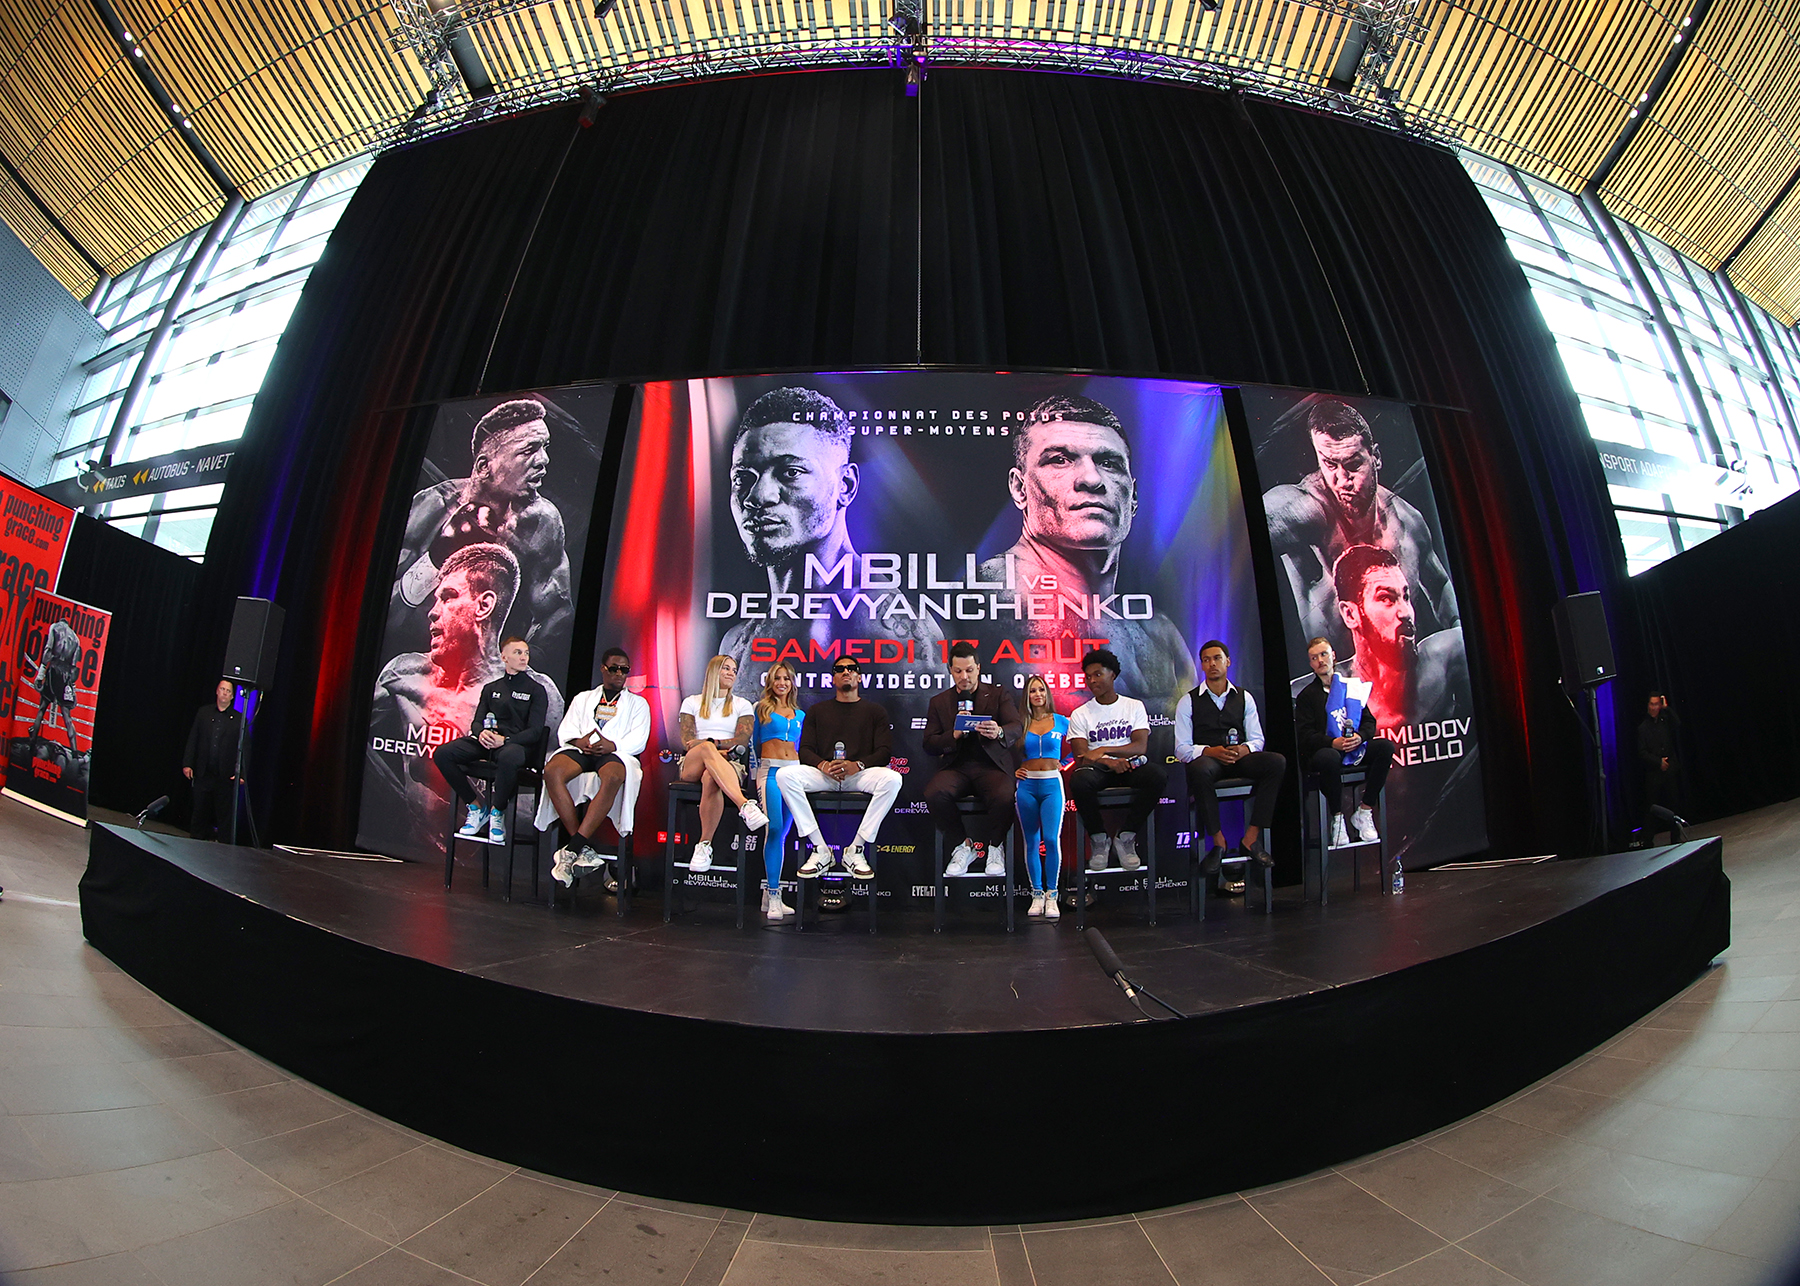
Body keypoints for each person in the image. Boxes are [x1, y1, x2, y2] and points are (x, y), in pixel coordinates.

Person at [978, 394, 1194, 709]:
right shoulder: (983, 597)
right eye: (1059, 460)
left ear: (1133, 496)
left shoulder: (1158, 632)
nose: (1092, 479)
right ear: (1019, 488)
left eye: (1109, 463)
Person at [718, 387, 942, 689]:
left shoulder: (891, 629)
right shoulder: (737, 640)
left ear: (845, 485)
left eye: (790, 472)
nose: (758, 497)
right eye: (743, 478)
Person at [369, 543, 565, 850]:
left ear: (483, 605)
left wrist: (459, 790)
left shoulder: (541, 692)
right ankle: (477, 807)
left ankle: (485, 811)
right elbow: (349, 734)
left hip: (488, 854)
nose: (433, 612)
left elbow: (549, 798)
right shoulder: (403, 673)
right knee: (442, 757)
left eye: (448, 597)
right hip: (412, 842)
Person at [1264, 396, 1458, 660]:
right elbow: (1261, 523)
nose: (1342, 480)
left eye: (1353, 464)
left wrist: (1458, 630)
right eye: (1330, 464)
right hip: (1339, 676)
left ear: (1375, 457)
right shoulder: (1307, 508)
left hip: (1402, 673)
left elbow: (1440, 584)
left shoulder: (1408, 521)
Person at [390, 398, 571, 650]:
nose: (544, 460)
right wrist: (435, 559)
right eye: (529, 450)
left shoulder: (541, 522)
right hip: (409, 655)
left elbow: (557, 613)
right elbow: (383, 614)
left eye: (545, 447)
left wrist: (515, 665)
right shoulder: (433, 507)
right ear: (485, 466)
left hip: (487, 663)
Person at [775, 656, 902, 879]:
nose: (846, 672)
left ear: (859, 677)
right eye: (840, 669)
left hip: (860, 775)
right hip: (825, 775)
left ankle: (856, 849)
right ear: (833, 678)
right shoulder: (817, 710)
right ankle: (820, 849)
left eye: (851, 669)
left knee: (893, 779)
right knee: (785, 775)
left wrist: (857, 765)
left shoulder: (875, 711)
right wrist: (823, 765)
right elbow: (805, 750)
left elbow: (884, 752)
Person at [1329, 544, 1466, 732]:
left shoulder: (1446, 657)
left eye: (1406, 597)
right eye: (1386, 598)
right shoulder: (1323, 692)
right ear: (1350, 614)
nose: (1406, 612)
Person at [1175, 640, 1282, 877]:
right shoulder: (1188, 701)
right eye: (1206, 660)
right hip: (1210, 762)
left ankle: (1251, 838)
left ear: (1228, 662)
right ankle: (1218, 842)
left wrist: (1245, 749)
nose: (1212, 664)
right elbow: (1181, 750)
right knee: (1199, 769)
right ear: (1202, 665)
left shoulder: (1244, 697)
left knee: (1276, 762)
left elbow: (1257, 739)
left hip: (1240, 759)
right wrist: (1209, 751)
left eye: (1217, 658)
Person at [431, 635, 548, 847]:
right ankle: (476, 807)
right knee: (442, 754)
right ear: (504, 657)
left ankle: (497, 811)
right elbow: (477, 722)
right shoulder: (491, 688)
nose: (524, 657)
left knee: (510, 756)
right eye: (518, 653)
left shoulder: (536, 690)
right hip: (488, 742)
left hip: (515, 746)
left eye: (526, 653)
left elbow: (535, 732)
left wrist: (506, 740)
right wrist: (481, 734)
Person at [547, 648, 650, 887]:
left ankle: (572, 848)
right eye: (614, 668)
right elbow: (566, 729)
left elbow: (639, 739)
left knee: (613, 777)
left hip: (616, 752)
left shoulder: (638, 704)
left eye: (624, 670)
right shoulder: (583, 698)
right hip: (583, 750)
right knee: (552, 771)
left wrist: (612, 745)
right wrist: (579, 741)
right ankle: (581, 848)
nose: (619, 674)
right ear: (603, 669)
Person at [922, 642, 1021, 878]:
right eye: (958, 671)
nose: (964, 677)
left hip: (991, 766)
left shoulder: (997, 694)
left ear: (978, 668)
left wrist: (998, 731)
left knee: (1004, 795)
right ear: (950, 670)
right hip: (956, 767)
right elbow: (929, 744)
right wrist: (953, 735)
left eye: (969, 670)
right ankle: (963, 847)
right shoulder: (939, 701)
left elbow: (1016, 727)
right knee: (934, 793)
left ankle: (995, 847)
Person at [1295, 636, 1396, 859]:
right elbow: (1305, 736)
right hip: (1325, 753)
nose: (1320, 661)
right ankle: (1337, 818)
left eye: (1323, 655)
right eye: (1314, 658)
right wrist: (1331, 742)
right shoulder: (1306, 697)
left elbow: (1369, 722)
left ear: (1333, 656)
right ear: (1311, 664)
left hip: (1354, 747)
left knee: (1385, 747)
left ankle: (1364, 811)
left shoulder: (1351, 687)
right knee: (1329, 757)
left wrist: (1360, 737)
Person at [1067, 648, 1166, 871]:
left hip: (1129, 766)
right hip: (1099, 770)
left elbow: (1140, 746)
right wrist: (1109, 761)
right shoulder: (1080, 713)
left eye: (1098, 674)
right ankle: (1099, 839)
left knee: (1157, 776)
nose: (1092, 681)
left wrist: (1103, 749)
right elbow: (1082, 758)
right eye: (1088, 676)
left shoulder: (1133, 706)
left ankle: (1126, 837)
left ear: (1112, 674)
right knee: (1079, 781)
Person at [676, 654, 769, 874]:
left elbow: (742, 741)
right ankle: (744, 805)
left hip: (730, 763)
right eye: (726, 668)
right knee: (706, 750)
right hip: (693, 762)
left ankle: (704, 845)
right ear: (713, 670)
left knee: (711, 776)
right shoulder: (691, 702)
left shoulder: (742, 705)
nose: (731, 673)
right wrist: (712, 746)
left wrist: (711, 744)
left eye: (734, 670)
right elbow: (688, 740)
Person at [752, 662, 805, 920]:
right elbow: (753, 744)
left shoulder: (800, 715)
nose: (782, 683)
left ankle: (769, 894)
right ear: (770, 682)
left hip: (793, 774)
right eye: (777, 678)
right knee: (772, 829)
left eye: (786, 678)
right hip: (770, 773)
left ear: (792, 682)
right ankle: (774, 893)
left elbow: (800, 746)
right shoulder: (761, 709)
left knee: (783, 833)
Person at [1015, 673, 1069, 920]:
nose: (1038, 694)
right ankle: (1036, 893)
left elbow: (1081, 746)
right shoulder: (1020, 723)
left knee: (1050, 839)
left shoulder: (1060, 721)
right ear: (1027, 696)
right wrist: (1013, 769)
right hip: (1026, 786)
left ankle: (1052, 895)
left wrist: (1065, 763)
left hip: (1051, 785)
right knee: (1031, 841)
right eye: (1033, 691)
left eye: (1041, 690)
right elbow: (1004, 752)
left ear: (1047, 693)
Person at [183, 678, 242, 841]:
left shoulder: (239, 720)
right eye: (222, 689)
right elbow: (193, 739)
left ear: (232, 696)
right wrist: (188, 763)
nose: (225, 693)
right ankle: (194, 843)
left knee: (224, 816)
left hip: (225, 776)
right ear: (217, 691)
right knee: (199, 812)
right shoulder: (204, 713)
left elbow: (244, 747)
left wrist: (242, 772)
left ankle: (223, 848)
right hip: (203, 772)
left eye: (228, 691)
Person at [25, 618, 84, 755]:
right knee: (67, 716)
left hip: (54, 670)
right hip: (65, 676)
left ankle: (31, 745)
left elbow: (48, 650)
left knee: (42, 708)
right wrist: (71, 687)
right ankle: (75, 752)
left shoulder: (55, 628)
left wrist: (41, 674)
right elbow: (73, 668)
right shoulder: (75, 639)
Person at [1637, 691, 1686, 843]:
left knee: (1674, 804)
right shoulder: (1643, 728)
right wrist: (1659, 762)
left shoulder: (1665, 720)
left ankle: (1676, 838)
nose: (1654, 708)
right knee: (1651, 807)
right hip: (1654, 773)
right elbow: (1642, 752)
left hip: (1670, 770)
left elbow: (1677, 723)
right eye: (1652, 704)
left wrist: (1666, 708)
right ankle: (1647, 841)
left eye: (1657, 704)